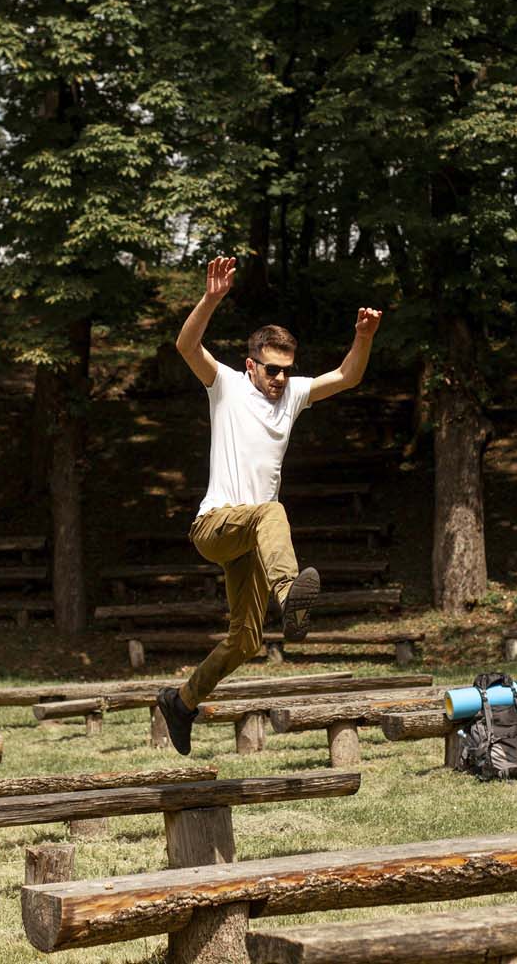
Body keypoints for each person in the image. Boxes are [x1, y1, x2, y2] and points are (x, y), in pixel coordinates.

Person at [157, 255, 383, 755]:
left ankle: (182, 701)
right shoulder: (227, 386)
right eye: (272, 371)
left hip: (252, 544)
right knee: (271, 510)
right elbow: (186, 345)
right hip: (216, 526)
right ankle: (289, 596)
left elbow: (347, 376)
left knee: (245, 641)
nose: (280, 380)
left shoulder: (294, 394)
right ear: (251, 365)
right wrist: (212, 297)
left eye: (286, 371)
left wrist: (363, 337)